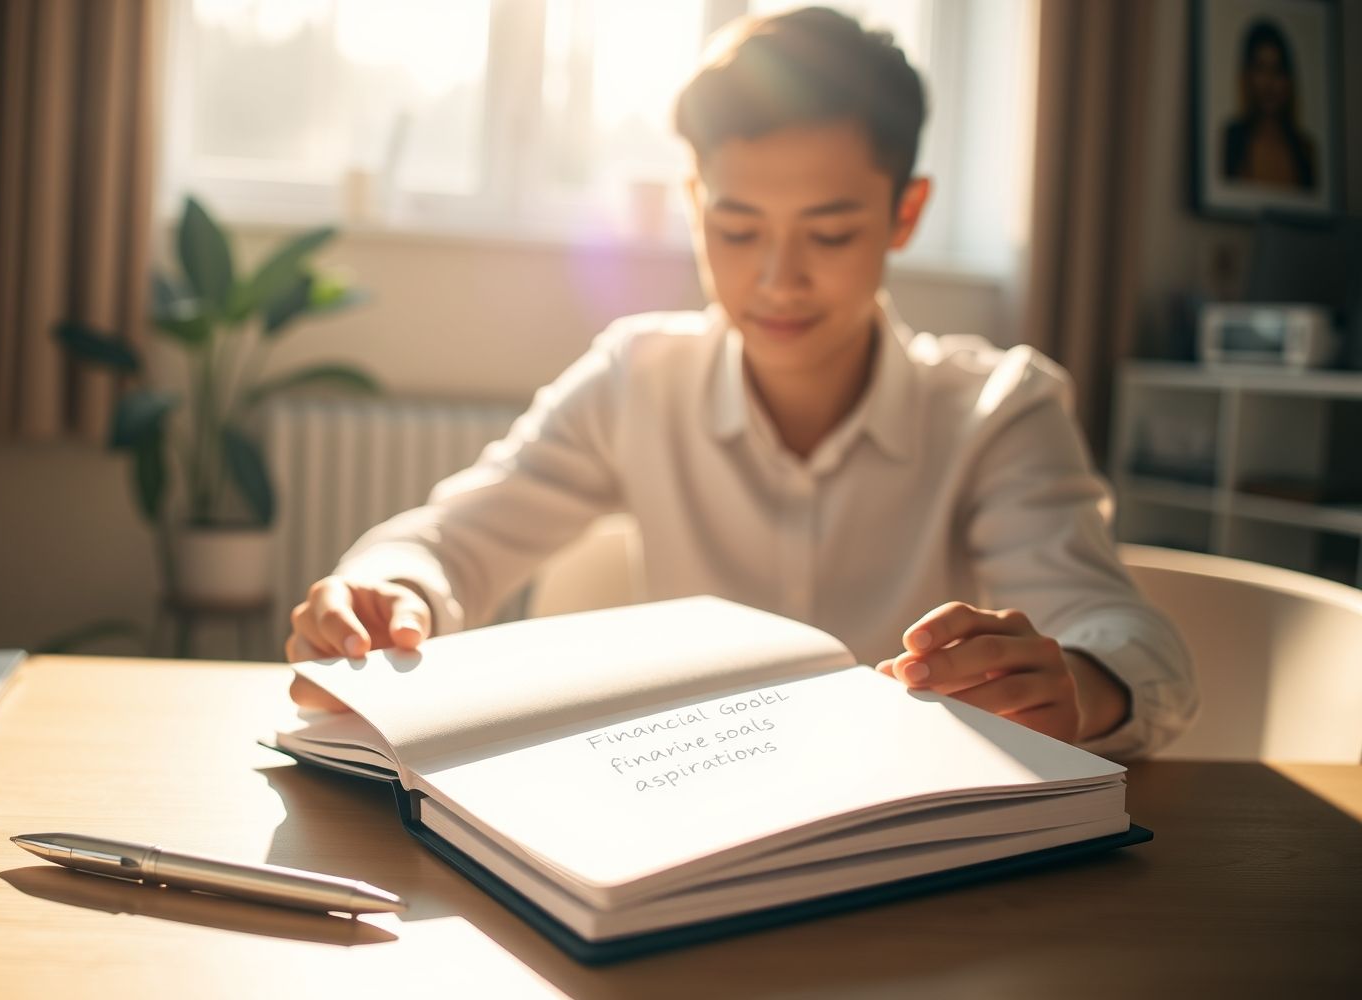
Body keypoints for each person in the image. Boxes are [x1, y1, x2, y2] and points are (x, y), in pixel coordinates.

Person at [286, 7, 1197, 758]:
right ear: (693, 207)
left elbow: (1129, 639)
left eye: (830, 234)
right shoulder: (638, 376)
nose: (776, 280)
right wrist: (386, 588)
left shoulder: (999, 410)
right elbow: (451, 540)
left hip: (917, 857)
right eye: (737, 229)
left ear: (905, 214)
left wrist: (1077, 683)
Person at [1221, 18, 1318, 191]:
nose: (1269, 83)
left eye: (1277, 70)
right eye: (1261, 69)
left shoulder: (1305, 151)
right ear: (1248, 76)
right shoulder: (1230, 140)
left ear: (1288, 80)